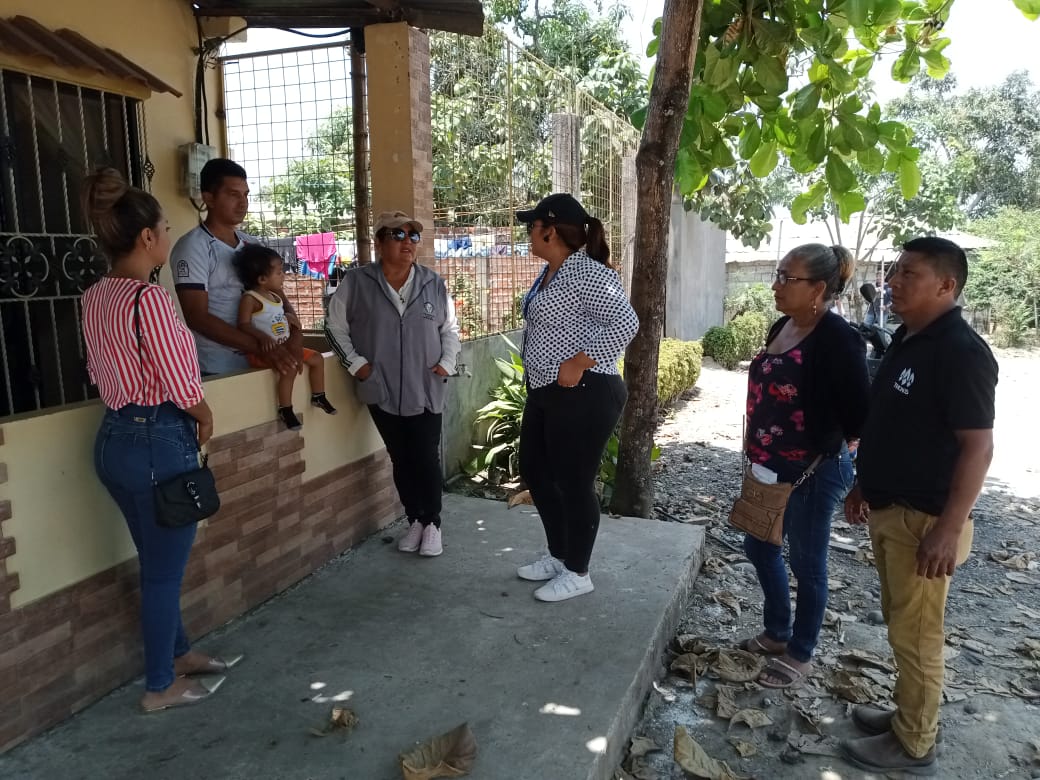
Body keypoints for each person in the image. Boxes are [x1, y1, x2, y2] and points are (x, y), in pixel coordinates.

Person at [80, 168, 240, 713]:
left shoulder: (94, 296)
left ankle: (177, 654)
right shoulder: (149, 299)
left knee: (155, 563)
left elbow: (99, 369)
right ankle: (159, 686)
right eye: (166, 228)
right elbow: (179, 378)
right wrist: (204, 414)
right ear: (147, 237)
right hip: (156, 442)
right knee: (163, 576)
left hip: (114, 439)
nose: (170, 236)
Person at [841, 237, 997, 776]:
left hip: (926, 521)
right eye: (896, 272)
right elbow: (890, 423)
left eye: (909, 274)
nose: (893, 282)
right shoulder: (908, 338)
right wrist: (863, 484)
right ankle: (908, 713)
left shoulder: (961, 352)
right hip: (891, 509)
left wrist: (948, 529)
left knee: (918, 635)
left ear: (946, 285)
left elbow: (978, 448)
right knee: (900, 625)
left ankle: (914, 743)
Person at [739, 244, 868, 688]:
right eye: (777, 275)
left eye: (786, 278)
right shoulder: (783, 325)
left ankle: (801, 651)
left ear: (817, 288)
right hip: (767, 465)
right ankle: (778, 632)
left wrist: (855, 470)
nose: (775, 285)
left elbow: (860, 414)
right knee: (759, 548)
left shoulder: (838, 339)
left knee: (807, 563)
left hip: (814, 470)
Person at [512, 193, 639, 603]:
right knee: (536, 471)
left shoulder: (587, 272)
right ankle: (560, 555)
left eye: (532, 226)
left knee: (573, 482)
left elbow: (626, 322)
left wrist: (580, 362)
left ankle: (578, 571)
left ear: (550, 231)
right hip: (546, 390)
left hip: (586, 391)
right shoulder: (552, 271)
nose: (529, 233)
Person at [325, 211, 461, 557]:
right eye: (397, 235)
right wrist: (357, 365)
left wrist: (446, 363)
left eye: (412, 236)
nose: (407, 243)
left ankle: (432, 524)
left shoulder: (432, 282)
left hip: (426, 385)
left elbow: (449, 329)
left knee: (425, 456)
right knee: (400, 457)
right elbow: (335, 326)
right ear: (379, 242)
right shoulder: (357, 282)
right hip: (380, 387)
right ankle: (414, 519)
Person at [172, 158, 300, 377]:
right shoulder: (192, 247)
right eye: (233, 195)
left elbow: (277, 294)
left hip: (265, 363)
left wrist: (295, 334)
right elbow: (197, 316)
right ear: (208, 198)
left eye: (245, 195)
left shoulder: (252, 243)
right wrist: (262, 347)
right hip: (218, 368)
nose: (243, 203)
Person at [233, 244, 338, 430]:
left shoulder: (275, 297)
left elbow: (274, 318)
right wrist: (262, 337)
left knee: (316, 358)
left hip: (285, 347)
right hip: (266, 351)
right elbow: (243, 324)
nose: (284, 276)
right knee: (289, 370)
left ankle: (318, 395)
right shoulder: (250, 299)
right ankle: (286, 409)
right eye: (279, 272)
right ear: (262, 279)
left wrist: (288, 317)